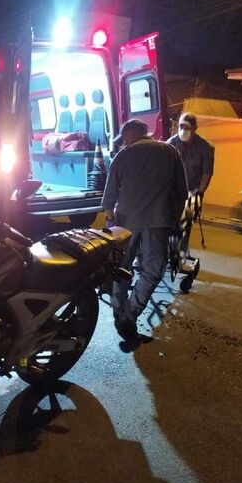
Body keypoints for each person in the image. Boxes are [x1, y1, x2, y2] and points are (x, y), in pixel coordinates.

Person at [102, 119, 188, 343]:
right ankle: (129, 314)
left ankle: (119, 310)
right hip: (157, 222)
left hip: (124, 223)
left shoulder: (122, 156)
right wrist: (173, 219)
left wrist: (111, 223)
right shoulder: (171, 152)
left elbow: (108, 201)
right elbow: (182, 193)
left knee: (120, 268)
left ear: (130, 135)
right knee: (152, 271)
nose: (123, 144)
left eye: (124, 139)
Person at [166, 112, 214, 196]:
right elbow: (164, 168)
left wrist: (199, 192)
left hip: (194, 191)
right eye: (181, 126)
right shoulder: (170, 144)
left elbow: (207, 173)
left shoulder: (205, 148)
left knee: (192, 208)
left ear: (195, 128)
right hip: (173, 191)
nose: (183, 130)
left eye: (187, 127)